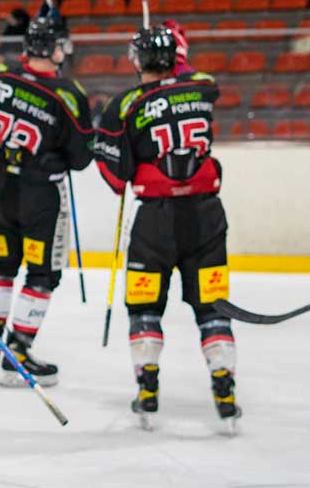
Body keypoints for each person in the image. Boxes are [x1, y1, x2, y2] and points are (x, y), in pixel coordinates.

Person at [94, 26, 236, 430]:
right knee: (212, 307)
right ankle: (225, 388)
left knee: (143, 307)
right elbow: (191, 80)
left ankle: (147, 388)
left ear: (136, 60)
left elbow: (114, 175)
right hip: (206, 216)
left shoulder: (124, 104)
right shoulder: (205, 86)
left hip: (155, 222)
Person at [0, 16, 92, 386]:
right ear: (55, 48)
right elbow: (81, 158)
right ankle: (20, 350)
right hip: (38, 195)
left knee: (1, 265)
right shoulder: (68, 92)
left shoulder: (2, 77)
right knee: (42, 273)